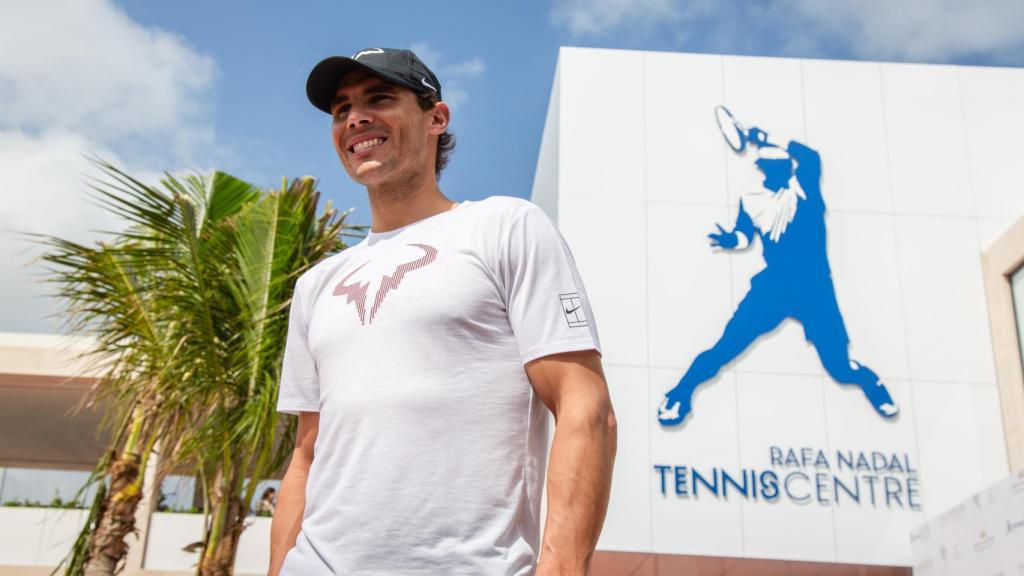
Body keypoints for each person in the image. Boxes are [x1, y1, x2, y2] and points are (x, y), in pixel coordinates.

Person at [268, 47, 617, 576]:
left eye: (379, 98)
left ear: (437, 118)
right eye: (341, 109)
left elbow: (583, 405)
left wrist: (561, 568)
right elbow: (307, 454)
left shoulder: (505, 226)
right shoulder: (317, 284)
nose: (355, 118)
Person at [657, 123, 899, 426]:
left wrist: (764, 137)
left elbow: (810, 157)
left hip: (814, 288)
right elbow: (746, 234)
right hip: (775, 286)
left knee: (840, 367)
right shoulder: (753, 199)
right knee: (725, 347)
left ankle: (873, 385)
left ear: (789, 167)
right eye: (772, 166)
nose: (779, 170)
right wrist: (733, 240)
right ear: (763, 168)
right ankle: (679, 396)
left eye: (783, 165)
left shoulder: (805, 191)